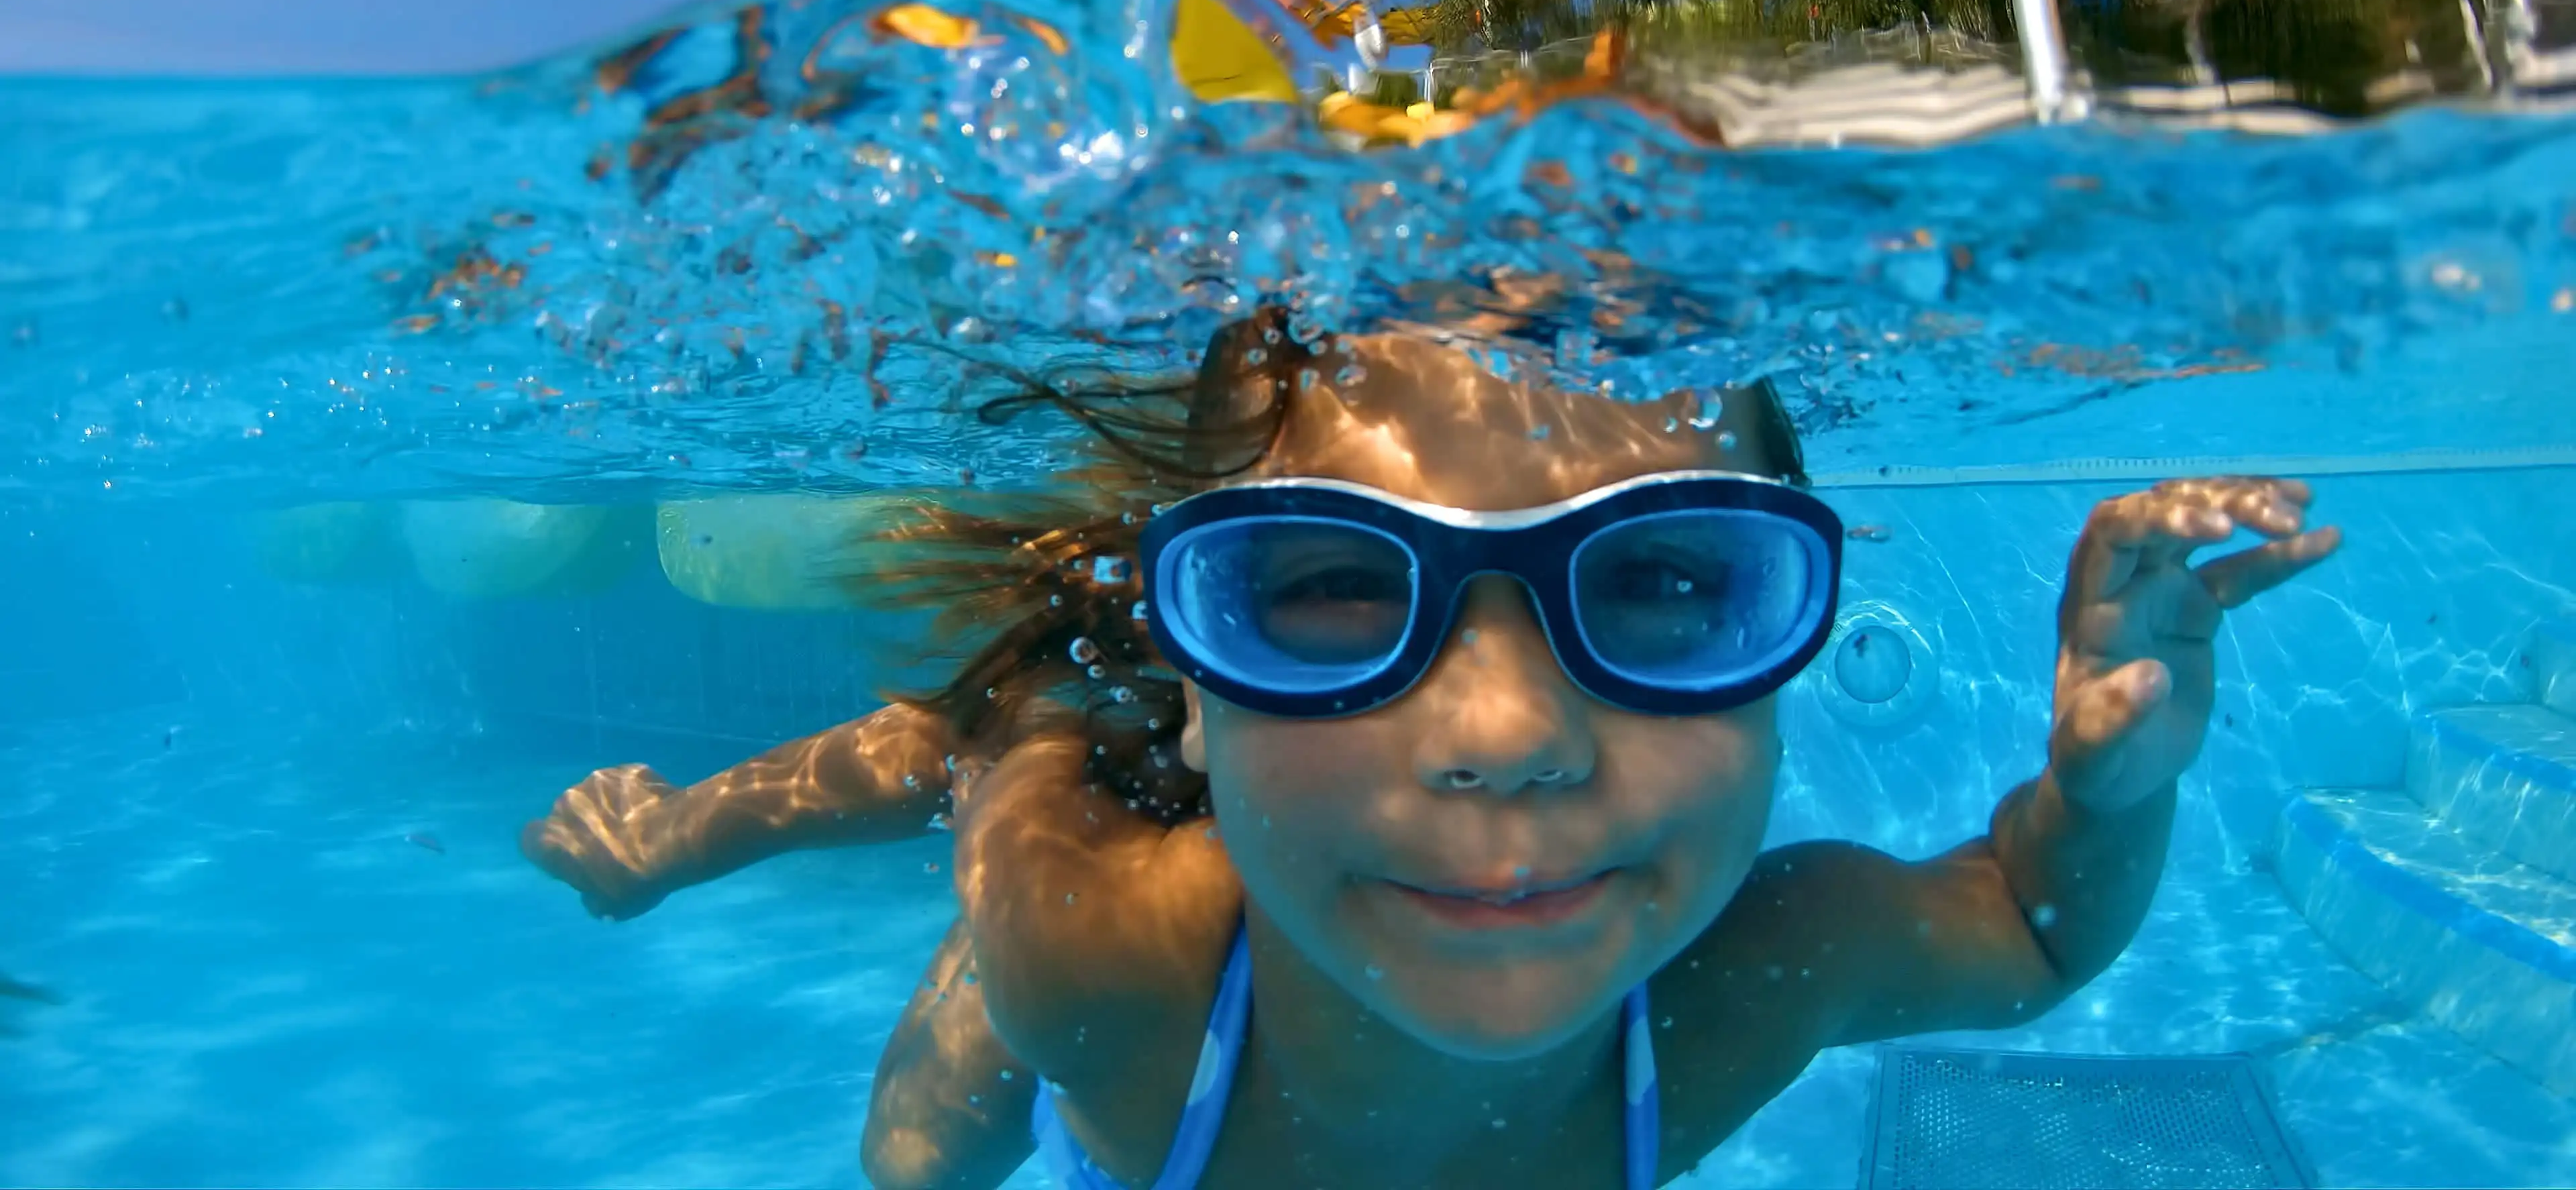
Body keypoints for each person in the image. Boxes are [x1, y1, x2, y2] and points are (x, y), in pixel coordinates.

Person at [526, 312, 2339, 1189]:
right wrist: (685, 831)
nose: (1509, 739)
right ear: (1203, 654)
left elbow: (2025, 932)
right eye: (1320, 586)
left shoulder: (1739, 989)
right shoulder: (1102, 956)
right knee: (930, 1146)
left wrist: (2113, 785)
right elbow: (979, 739)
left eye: (1668, 584)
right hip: (1123, 984)